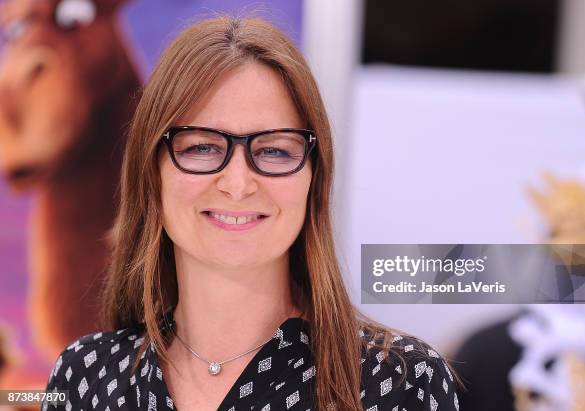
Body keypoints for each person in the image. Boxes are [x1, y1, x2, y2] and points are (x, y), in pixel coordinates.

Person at [42, 16, 460, 411]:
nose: (238, 183)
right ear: (152, 174)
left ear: (314, 178)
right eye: (202, 147)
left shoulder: (402, 384)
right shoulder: (86, 377)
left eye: (274, 150)